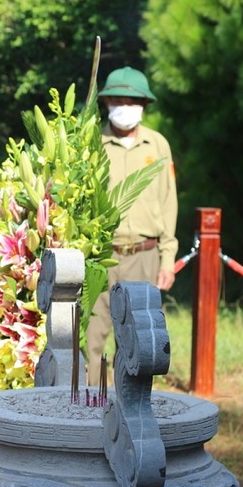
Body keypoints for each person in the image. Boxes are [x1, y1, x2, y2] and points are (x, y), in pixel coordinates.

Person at [86, 66, 178, 385]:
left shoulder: (157, 145)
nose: (125, 106)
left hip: (144, 255)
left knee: (138, 340)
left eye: (132, 100)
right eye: (117, 100)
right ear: (106, 102)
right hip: (100, 255)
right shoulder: (91, 143)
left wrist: (168, 259)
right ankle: (90, 412)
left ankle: (133, 413)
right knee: (91, 339)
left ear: (144, 105)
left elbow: (168, 203)